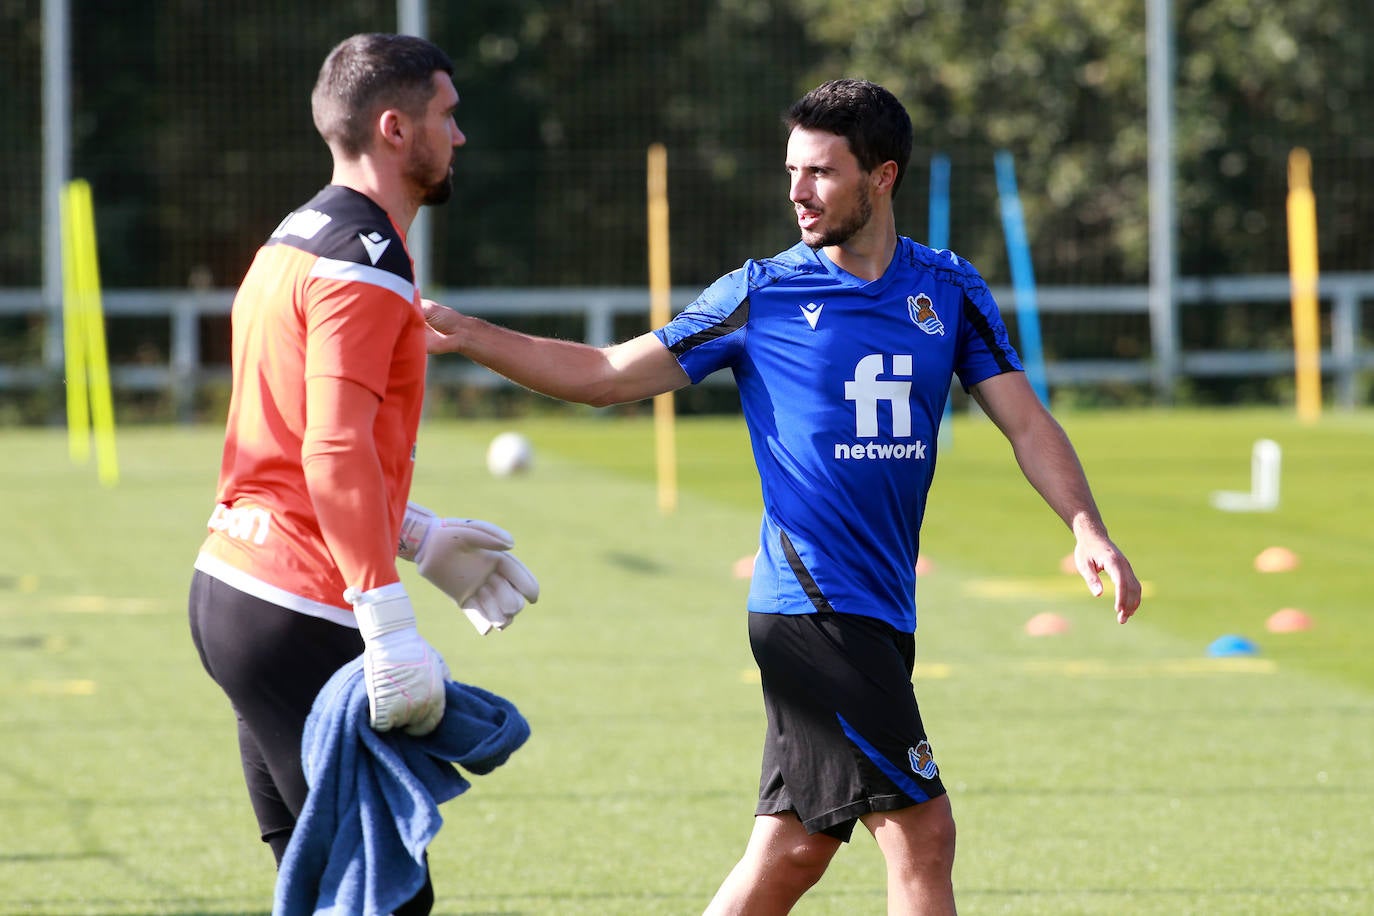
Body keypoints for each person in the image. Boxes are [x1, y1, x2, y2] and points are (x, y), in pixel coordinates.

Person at [424, 78, 1142, 914]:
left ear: (883, 176)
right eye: (792, 170)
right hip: (813, 607)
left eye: (822, 172)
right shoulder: (759, 294)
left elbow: (1025, 421)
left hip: (880, 608)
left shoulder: (948, 289)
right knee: (923, 833)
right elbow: (606, 375)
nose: (798, 191)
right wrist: (469, 334)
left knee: (793, 849)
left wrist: (1086, 525)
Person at [187, 33, 538, 915]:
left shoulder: (292, 238)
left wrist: (415, 534)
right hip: (295, 605)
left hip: (234, 584)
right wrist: (388, 622)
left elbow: (290, 445)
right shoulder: (365, 259)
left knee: (319, 886)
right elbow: (332, 449)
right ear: (394, 128)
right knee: (384, 896)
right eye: (447, 115)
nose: (459, 135)